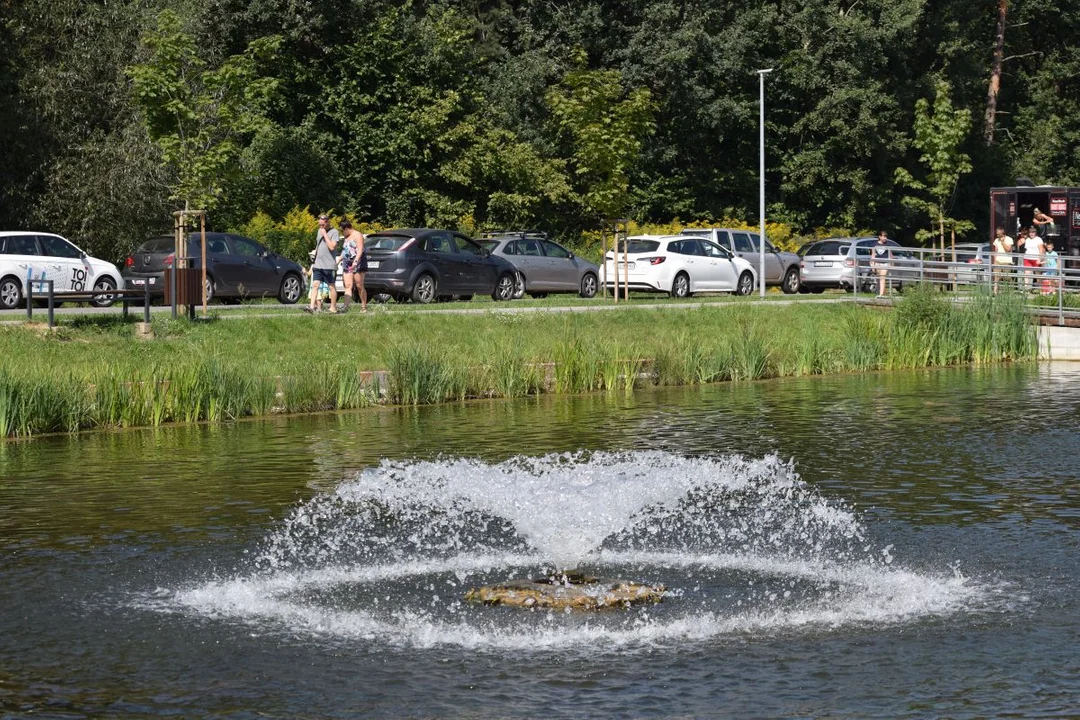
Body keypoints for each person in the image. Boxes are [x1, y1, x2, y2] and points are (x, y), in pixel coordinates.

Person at [306, 213, 339, 313]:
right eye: (319, 225)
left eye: (323, 225)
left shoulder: (334, 232)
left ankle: (333, 307)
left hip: (328, 265)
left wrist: (325, 234)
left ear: (328, 222)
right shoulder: (319, 231)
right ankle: (312, 307)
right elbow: (318, 246)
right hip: (318, 264)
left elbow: (332, 247)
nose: (321, 227)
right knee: (315, 285)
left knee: (331, 286)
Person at [338, 219, 368, 313]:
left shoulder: (357, 235)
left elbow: (360, 249)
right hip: (347, 262)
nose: (342, 233)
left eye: (342, 230)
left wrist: (355, 261)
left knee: (359, 285)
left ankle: (363, 307)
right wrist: (339, 259)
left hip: (358, 262)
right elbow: (345, 251)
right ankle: (345, 307)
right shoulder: (346, 237)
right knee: (348, 285)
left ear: (346, 228)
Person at [992, 226, 1015, 293]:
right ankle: (995, 292)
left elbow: (1008, 249)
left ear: (1003, 233)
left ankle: (1011, 291)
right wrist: (994, 261)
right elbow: (996, 251)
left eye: (999, 234)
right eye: (997, 233)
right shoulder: (996, 240)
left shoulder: (1009, 239)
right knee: (996, 277)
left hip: (1006, 261)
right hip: (998, 261)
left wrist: (1002, 242)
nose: (997, 235)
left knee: (1007, 277)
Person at [1021, 226, 1045, 291]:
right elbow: (1025, 249)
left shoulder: (1038, 239)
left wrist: (1039, 259)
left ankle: (1039, 288)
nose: (1031, 234)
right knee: (1026, 273)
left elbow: (1041, 250)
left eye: (1033, 232)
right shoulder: (1027, 239)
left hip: (1036, 258)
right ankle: (1026, 288)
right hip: (1027, 258)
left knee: (1037, 274)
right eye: (1030, 232)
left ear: (1035, 233)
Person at [870, 230, 892, 297]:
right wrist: (872, 265)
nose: (885, 238)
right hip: (877, 263)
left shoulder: (888, 244)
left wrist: (891, 262)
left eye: (886, 237)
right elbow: (873, 255)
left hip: (885, 263)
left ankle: (881, 294)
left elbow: (890, 254)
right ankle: (883, 292)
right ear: (880, 237)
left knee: (882, 278)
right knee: (880, 278)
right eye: (884, 236)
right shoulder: (874, 244)